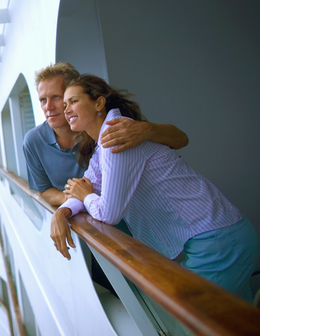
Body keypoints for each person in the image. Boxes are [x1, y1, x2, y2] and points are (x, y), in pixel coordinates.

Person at [60, 74, 258, 301]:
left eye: (73, 101)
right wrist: (62, 212)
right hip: (223, 235)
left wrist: (86, 197)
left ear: (99, 103)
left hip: (219, 242)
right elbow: (85, 185)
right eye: (65, 104)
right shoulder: (103, 143)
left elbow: (107, 213)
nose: (66, 109)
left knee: (193, 322)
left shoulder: (117, 137)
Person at [23, 63, 189, 259]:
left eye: (57, 98)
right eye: (43, 100)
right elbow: (47, 189)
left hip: (140, 220)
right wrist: (65, 208)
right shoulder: (36, 141)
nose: (48, 107)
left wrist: (147, 129)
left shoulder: (111, 132)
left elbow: (181, 140)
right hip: (93, 223)